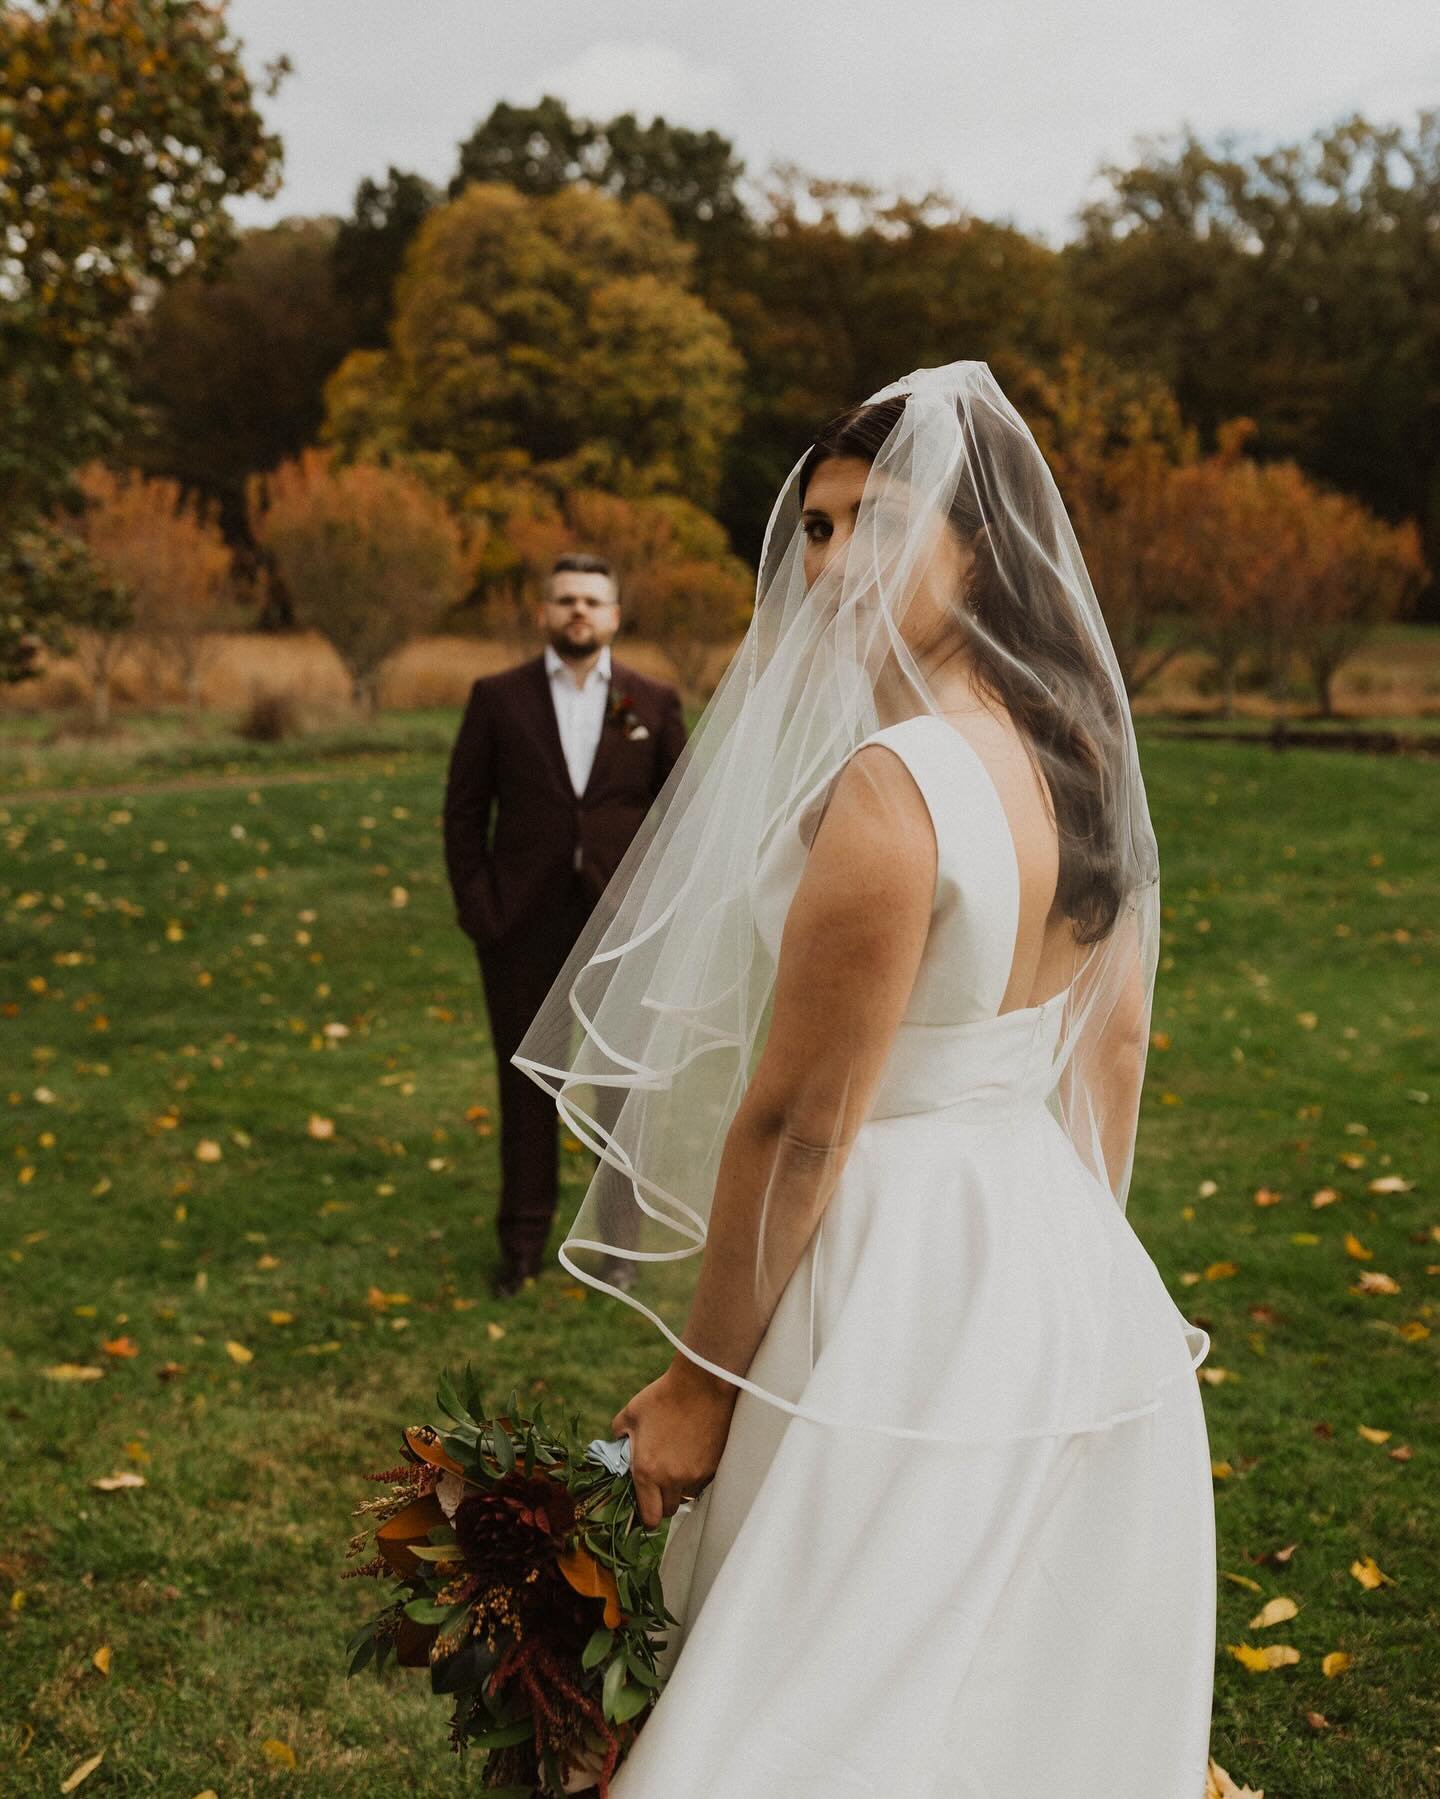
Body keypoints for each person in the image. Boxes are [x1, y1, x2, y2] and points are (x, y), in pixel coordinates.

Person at [514, 364, 1217, 1797]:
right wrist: (1073, 1271)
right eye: (816, 526)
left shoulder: (894, 784)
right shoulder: (1081, 760)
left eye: (873, 525)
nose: (827, 562)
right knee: (1001, 1677)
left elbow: (797, 1119)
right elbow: (1116, 1049)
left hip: (887, 1273)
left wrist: (705, 1382)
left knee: (814, 1675)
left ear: (979, 550)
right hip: (1055, 1241)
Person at [443, 552, 687, 1297]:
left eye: (592, 600)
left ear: (614, 616)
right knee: (528, 1089)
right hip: (523, 926)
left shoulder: (650, 701)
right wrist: (482, 910)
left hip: (622, 928)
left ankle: (619, 1248)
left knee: (618, 1088)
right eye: (565, 599)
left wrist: (658, 911)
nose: (578, 610)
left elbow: (685, 814)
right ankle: (520, 1246)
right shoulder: (498, 698)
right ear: (544, 612)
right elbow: (462, 814)